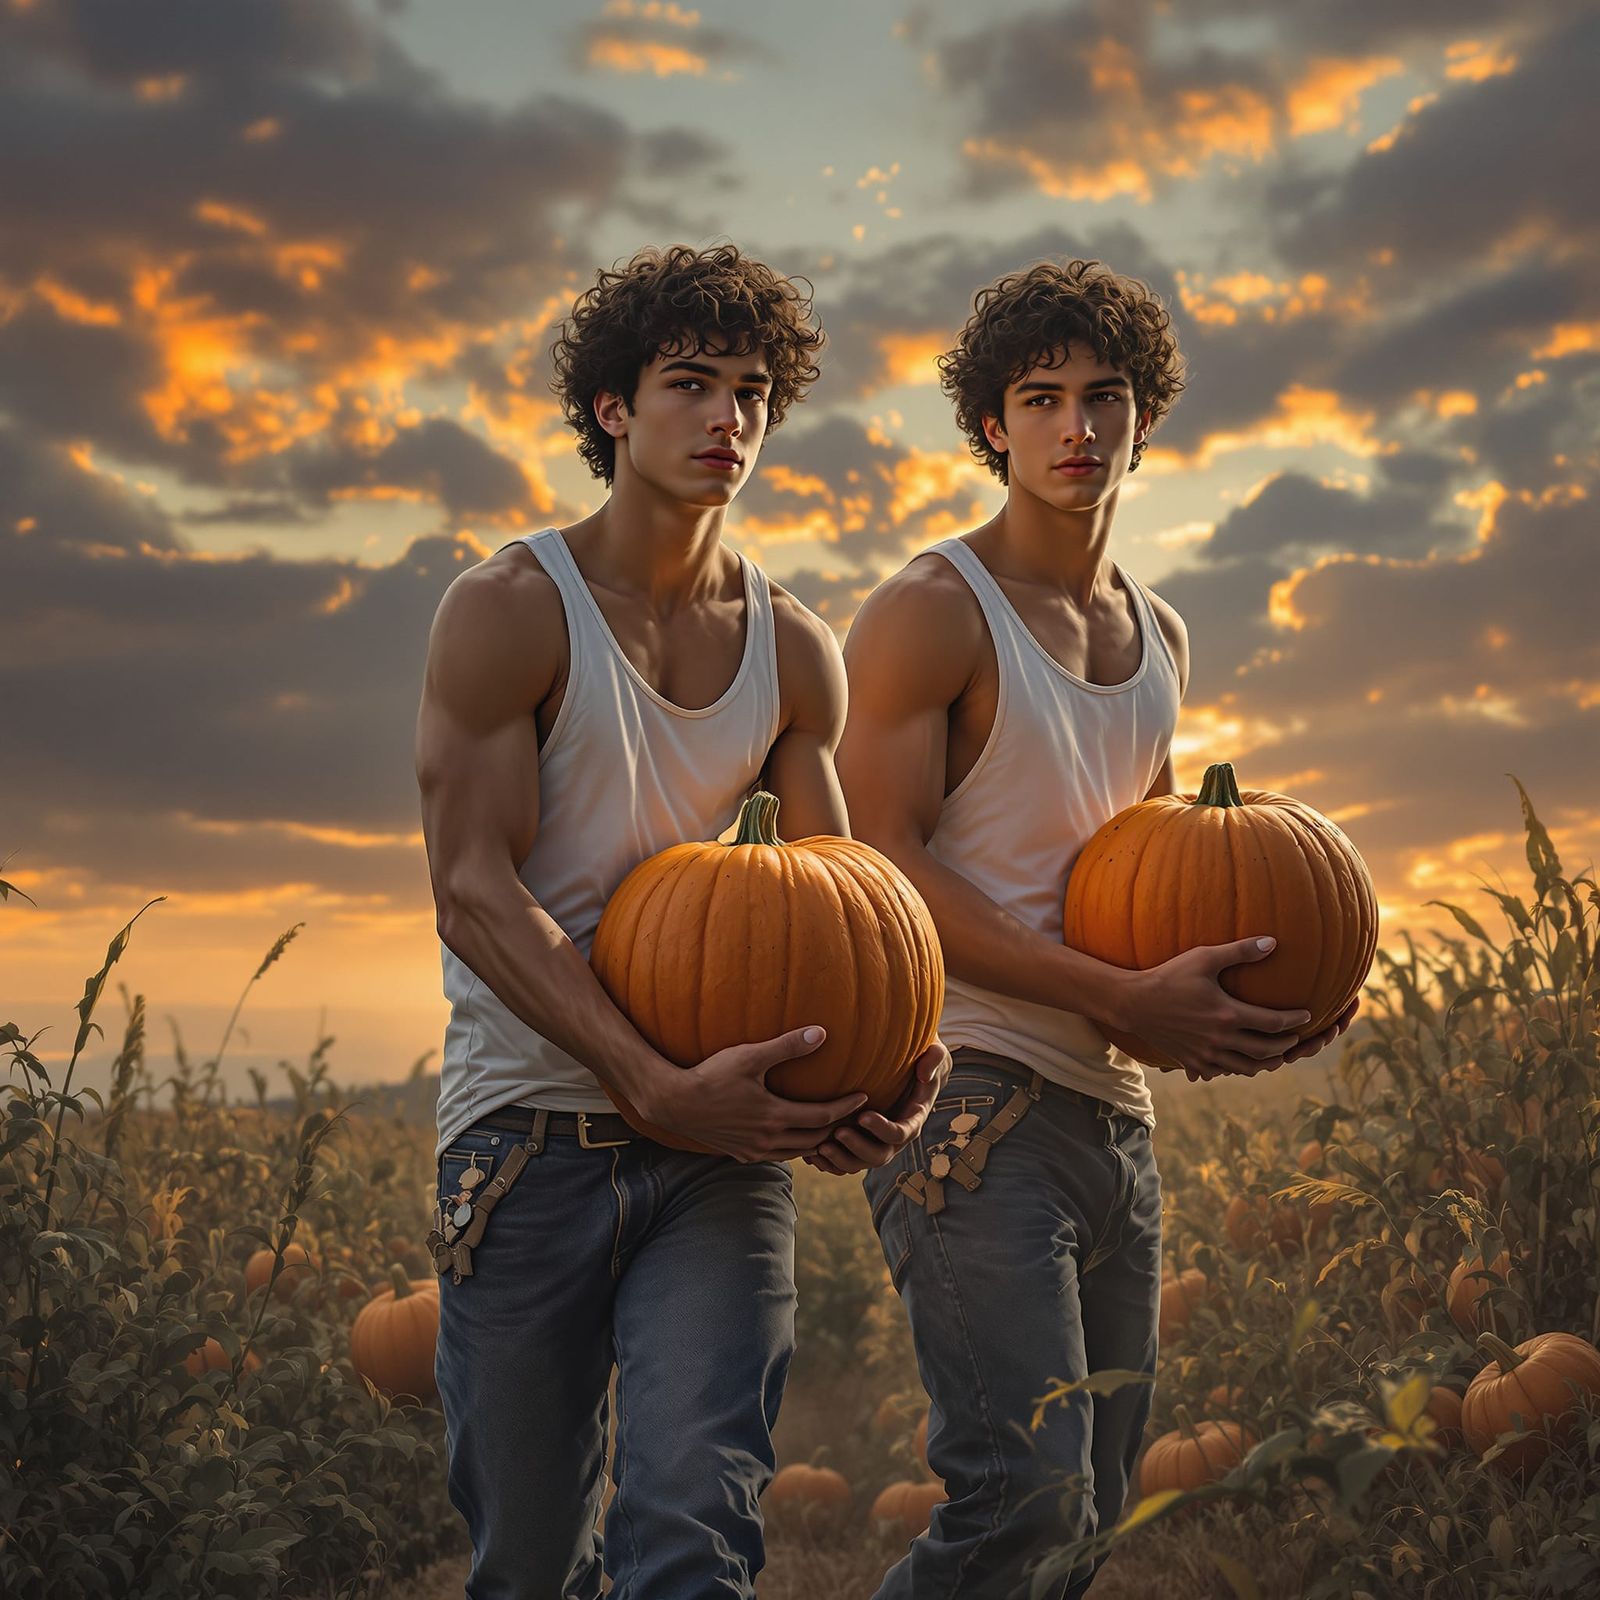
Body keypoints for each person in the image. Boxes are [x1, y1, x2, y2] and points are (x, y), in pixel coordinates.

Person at [414, 243, 948, 1600]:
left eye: (755, 393)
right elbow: (476, 889)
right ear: (612, 409)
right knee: (529, 1564)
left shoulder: (794, 649)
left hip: (717, 1160)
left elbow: (842, 903)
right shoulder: (509, 610)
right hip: (530, 1138)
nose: (730, 422)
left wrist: (884, 1072)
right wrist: (647, 1077)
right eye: (692, 385)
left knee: (691, 1540)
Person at [826, 259, 1357, 1598]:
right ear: (992, 425)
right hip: (972, 1104)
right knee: (1023, 1501)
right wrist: (1118, 998)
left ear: (1142, 416)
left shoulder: (1160, 631)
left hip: (1115, 1119)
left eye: (1103, 397)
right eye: (1041, 398)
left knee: (1097, 1515)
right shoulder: (930, 612)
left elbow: (1154, 878)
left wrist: (1248, 1002)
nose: (1076, 428)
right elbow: (880, 868)